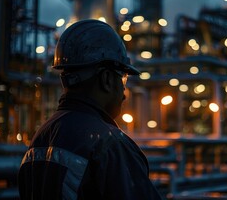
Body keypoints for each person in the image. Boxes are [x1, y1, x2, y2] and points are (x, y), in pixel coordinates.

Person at [18, 19, 163, 200]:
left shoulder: (40, 137)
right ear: (107, 79)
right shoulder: (109, 144)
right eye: (123, 78)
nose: (125, 92)